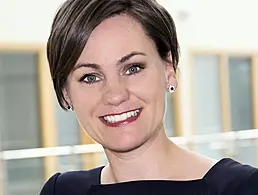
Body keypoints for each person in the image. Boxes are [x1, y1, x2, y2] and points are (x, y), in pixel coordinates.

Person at [40, 0, 258, 194]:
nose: (115, 95)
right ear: (66, 93)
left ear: (168, 71)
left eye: (133, 68)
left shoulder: (242, 187)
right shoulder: (61, 190)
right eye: (90, 77)